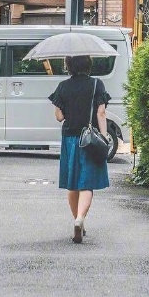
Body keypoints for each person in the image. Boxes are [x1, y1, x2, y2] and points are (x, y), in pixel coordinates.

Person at [48, 55, 110, 243]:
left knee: (73, 182)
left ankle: (77, 221)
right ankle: (80, 219)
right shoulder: (96, 84)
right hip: (89, 139)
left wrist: (68, 110)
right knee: (87, 182)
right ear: (88, 64)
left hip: (70, 138)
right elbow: (101, 112)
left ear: (69, 66)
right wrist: (105, 136)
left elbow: (59, 116)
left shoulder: (63, 86)